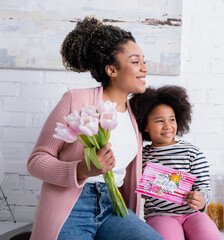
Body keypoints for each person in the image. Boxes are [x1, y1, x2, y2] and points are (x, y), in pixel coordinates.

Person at [27, 16, 163, 240]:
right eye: (136, 61)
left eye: (144, 61)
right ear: (112, 70)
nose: (145, 68)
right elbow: (37, 161)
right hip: (72, 204)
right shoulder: (75, 99)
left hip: (113, 206)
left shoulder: (136, 114)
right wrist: (81, 169)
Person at [129, 86, 222, 240]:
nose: (167, 126)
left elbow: (204, 188)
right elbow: (136, 190)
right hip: (160, 215)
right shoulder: (141, 156)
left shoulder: (193, 153)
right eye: (159, 121)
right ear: (145, 126)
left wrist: (201, 200)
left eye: (172, 119)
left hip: (192, 214)